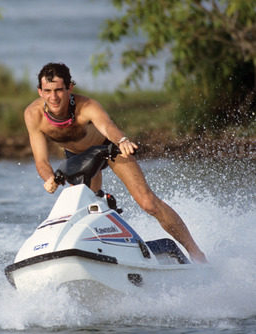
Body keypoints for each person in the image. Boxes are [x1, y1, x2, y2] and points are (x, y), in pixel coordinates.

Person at [24, 62, 207, 263]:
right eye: (48, 91)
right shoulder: (33, 115)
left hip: (109, 149)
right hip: (79, 159)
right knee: (84, 211)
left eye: (59, 90)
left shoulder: (87, 106)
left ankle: (195, 252)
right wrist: (49, 178)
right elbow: (41, 161)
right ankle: (104, 251)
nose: (54, 97)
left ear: (70, 88)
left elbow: (108, 126)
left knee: (148, 203)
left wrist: (122, 141)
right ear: (40, 92)